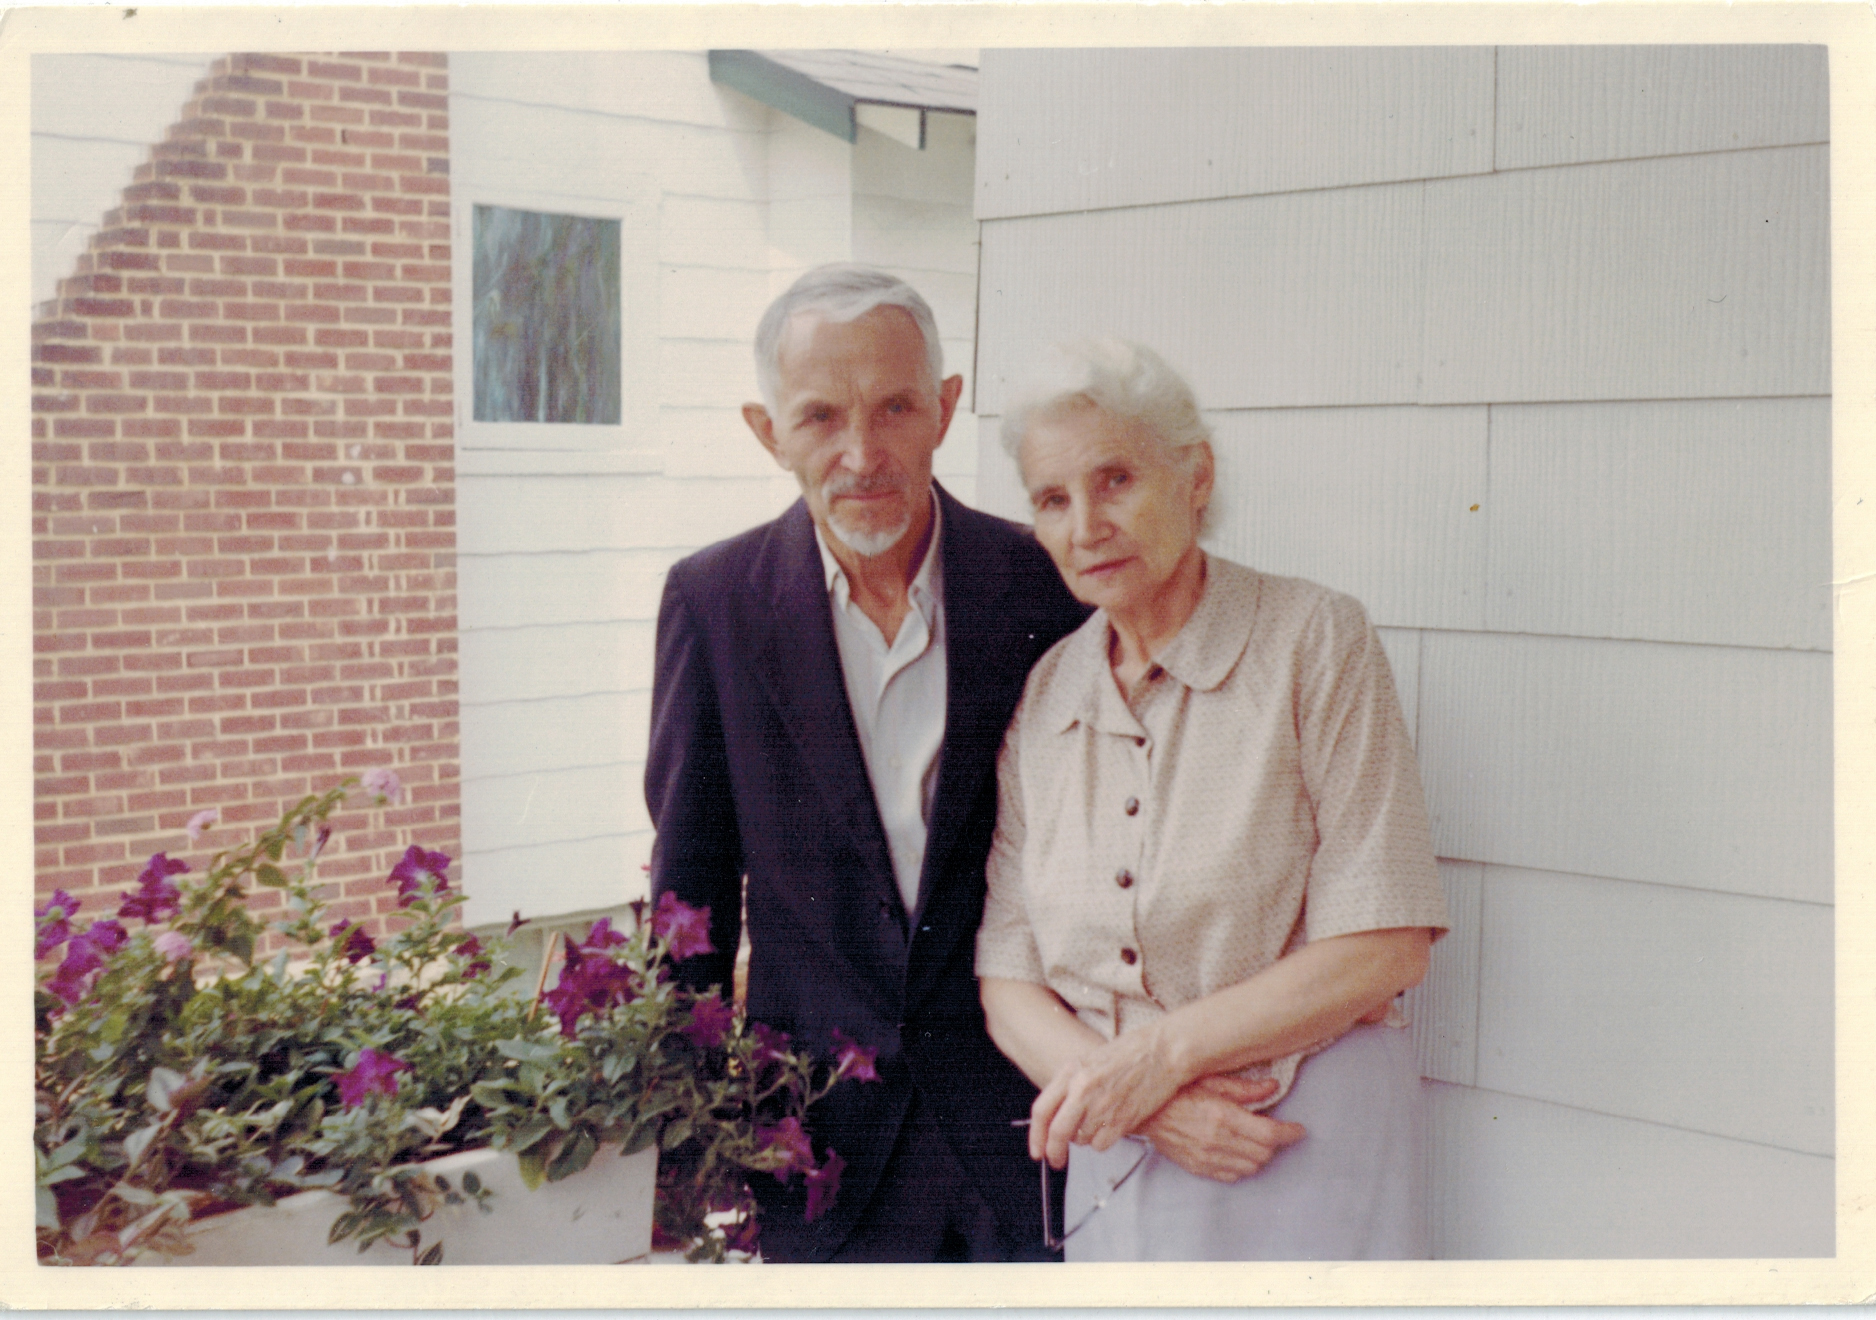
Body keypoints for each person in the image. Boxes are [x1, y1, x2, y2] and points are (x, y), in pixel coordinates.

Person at [645, 265, 1088, 1262]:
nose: (862, 453)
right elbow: (690, 892)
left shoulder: (1047, 586)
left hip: (1025, 1126)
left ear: (944, 408)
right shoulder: (711, 605)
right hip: (817, 1149)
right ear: (767, 432)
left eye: (894, 407)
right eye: (819, 417)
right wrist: (693, 1144)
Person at [975, 337, 1450, 1261]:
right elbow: (1007, 977)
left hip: (1302, 1131)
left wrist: (1159, 1062)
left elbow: (1385, 945)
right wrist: (1145, 1103)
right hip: (1124, 1148)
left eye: (1116, 480)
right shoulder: (1047, 695)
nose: (1086, 524)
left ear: (1196, 475)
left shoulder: (1315, 642)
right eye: (1052, 499)